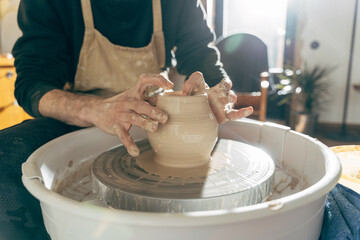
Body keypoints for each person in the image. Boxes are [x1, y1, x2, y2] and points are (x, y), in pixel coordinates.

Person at [0, 0, 253, 239]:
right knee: (6, 155)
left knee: (242, 153)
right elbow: (32, 84)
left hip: (153, 118)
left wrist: (219, 90)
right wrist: (96, 109)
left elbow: (201, 54)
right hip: (81, 117)